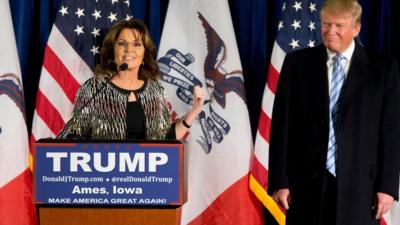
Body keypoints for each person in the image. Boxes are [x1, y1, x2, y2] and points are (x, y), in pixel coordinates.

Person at [267, 0, 400, 225]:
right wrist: (280, 180)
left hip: (360, 187)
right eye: (326, 24)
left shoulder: (383, 69)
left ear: (356, 29)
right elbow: (282, 126)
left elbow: (391, 132)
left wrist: (387, 187)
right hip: (305, 185)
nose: (331, 32)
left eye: (339, 25)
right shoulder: (296, 64)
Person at [56, 19, 205, 140]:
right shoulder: (94, 88)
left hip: (147, 175)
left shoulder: (155, 90)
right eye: (122, 43)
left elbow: (166, 138)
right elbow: (73, 136)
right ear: (112, 51)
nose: (129, 49)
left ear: (144, 54)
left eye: (137, 44)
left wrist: (194, 111)